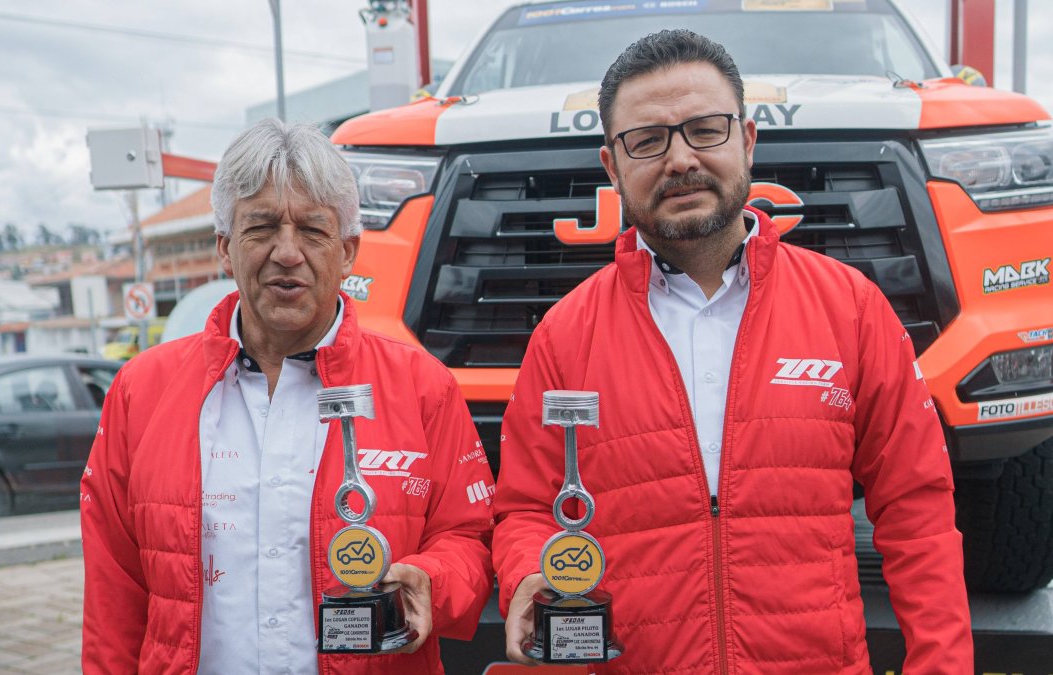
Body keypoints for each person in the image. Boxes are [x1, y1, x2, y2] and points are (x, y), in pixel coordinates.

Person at [492, 30, 973, 673]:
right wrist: (527, 572)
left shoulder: (850, 309)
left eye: (705, 130)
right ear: (612, 167)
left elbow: (918, 511)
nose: (681, 159)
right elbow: (525, 507)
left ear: (747, 140)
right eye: (647, 140)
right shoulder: (564, 336)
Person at [80, 119, 495, 674]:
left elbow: (471, 537)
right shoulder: (141, 391)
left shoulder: (422, 386)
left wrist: (432, 581)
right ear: (226, 249)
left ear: (348, 252)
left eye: (312, 230)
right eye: (261, 228)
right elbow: (113, 592)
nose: (287, 252)